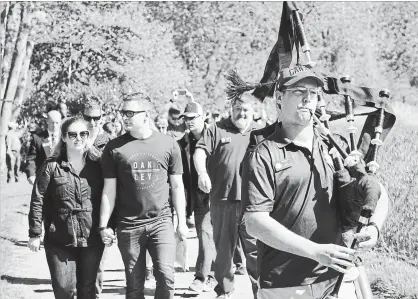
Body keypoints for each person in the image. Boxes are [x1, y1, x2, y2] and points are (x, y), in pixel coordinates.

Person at [242, 65, 390, 299]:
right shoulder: (263, 154)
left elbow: (377, 191)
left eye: (313, 93)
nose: (307, 99)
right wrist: (316, 252)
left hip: (340, 278)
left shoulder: (336, 145)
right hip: (285, 284)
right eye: (299, 91)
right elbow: (255, 222)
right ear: (280, 98)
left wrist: (374, 228)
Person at [98, 93, 188, 299]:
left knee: (166, 277)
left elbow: (177, 186)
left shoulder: (169, 145)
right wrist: (104, 225)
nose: (124, 117)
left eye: (130, 113)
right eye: (123, 113)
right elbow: (109, 190)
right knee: (134, 285)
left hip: (161, 221)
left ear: (146, 115)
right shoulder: (114, 148)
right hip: (129, 225)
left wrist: (181, 222)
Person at [28, 116, 105, 299]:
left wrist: (110, 226)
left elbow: (109, 197)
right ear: (63, 137)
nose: (78, 138)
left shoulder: (99, 165)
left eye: (83, 134)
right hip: (59, 238)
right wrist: (35, 233)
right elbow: (38, 199)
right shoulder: (51, 166)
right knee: (64, 291)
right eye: (72, 134)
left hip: (91, 237)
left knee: (88, 290)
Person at [193, 92, 261, 299]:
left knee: (256, 252)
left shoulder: (261, 132)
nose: (242, 114)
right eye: (238, 110)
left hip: (254, 203)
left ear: (253, 112)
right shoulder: (216, 129)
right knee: (223, 252)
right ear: (231, 110)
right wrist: (202, 173)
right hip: (223, 200)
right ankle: (224, 290)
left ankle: (263, 292)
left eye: (246, 110)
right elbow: (199, 152)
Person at [177, 102, 216, 293]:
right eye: (186, 118)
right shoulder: (181, 144)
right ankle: (203, 277)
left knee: (216, 238)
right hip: (198, 198)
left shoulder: (217, 136)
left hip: (221, 196)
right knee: (205, 234)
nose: (189, 121)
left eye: (192, 117)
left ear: (203, 116)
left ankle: (210, 275)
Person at [26, 110, 62, 185]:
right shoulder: (37, 138)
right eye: (52, 122)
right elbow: (31, 158)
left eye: (57, 123)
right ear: (47, 121)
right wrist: (31, 175)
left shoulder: (65, 137)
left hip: (63, 178)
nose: (54, 125)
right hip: (44, 179)